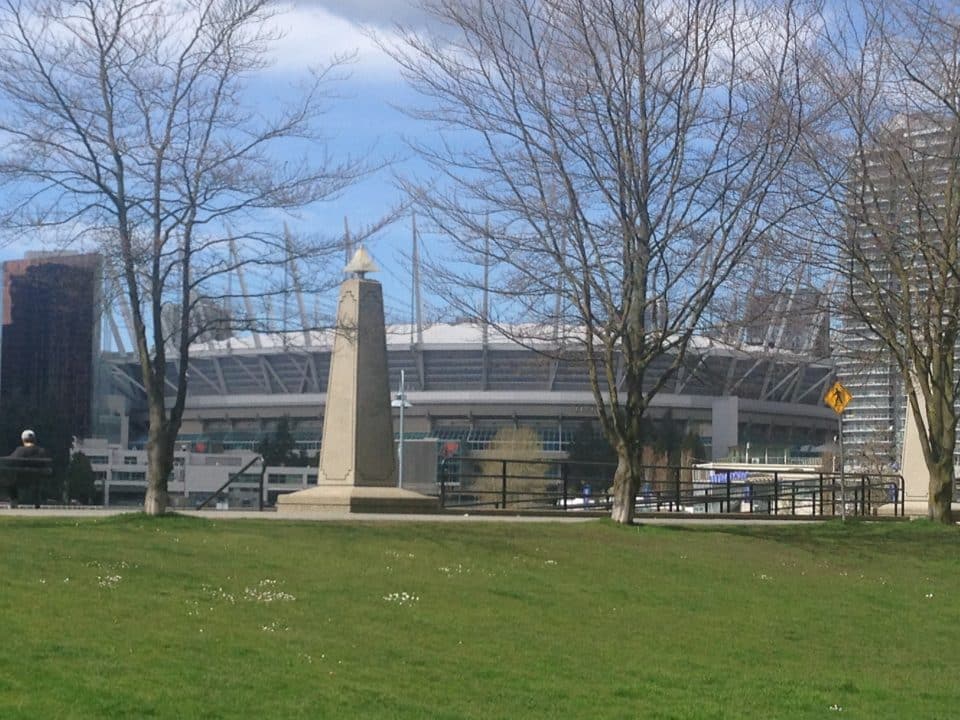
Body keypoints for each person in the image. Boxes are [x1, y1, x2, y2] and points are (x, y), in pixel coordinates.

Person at [6, 430, 48, 508]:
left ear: (23, 440)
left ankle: (14, 501)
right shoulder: (41, 451)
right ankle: (37, 502)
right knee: (36, 482)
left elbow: (10, 461)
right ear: (34, 439)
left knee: (9, 480)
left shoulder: (19, 450)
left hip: (18, 479)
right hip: (36, 479)